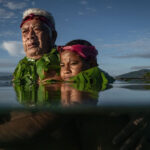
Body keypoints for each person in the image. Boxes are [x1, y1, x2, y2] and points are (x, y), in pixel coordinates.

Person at [13, 8, 60, 84]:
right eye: (25, 31)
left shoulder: (67, 65)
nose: (30, 36)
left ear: (53, 36)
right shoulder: (20, 71)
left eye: (37, 29)